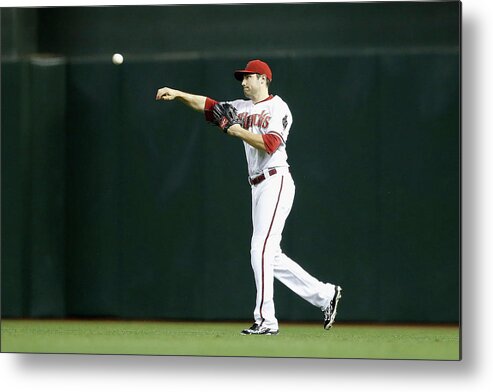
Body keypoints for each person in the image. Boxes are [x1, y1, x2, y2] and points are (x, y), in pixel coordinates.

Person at [156, 59, 342, 335]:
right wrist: (180, 94)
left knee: (260, 250)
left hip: (275, 180)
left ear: (263, 79)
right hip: (257, 186)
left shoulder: (278, 107)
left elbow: (270, 145)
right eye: (241, 78)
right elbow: (209, 105)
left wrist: (235, 129)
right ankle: (325, 295)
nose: (243, 82)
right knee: (270, 255)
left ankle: (266, 320)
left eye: (248, 77)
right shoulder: (241, 108)